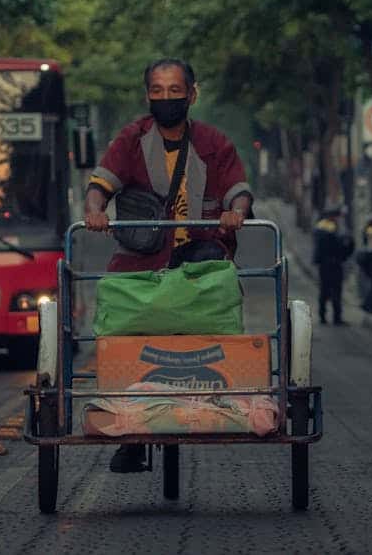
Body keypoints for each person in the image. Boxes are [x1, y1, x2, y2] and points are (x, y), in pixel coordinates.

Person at [84, 58, 254, 473]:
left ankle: (218, 404)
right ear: (147, 96)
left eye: (174, 91)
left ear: (191, 94)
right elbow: (99, 186)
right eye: (157, 91)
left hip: (202, 258)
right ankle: (128, 432)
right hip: (140, 261)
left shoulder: (215, 142)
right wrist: (94, 212)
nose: (166, 99)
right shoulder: (131, 139)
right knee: (120, 328)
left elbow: (238, 191)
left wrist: (236, 211)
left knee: (215, 308)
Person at [312, 205, 354, 325]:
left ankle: (323, 316)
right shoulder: (331, 229)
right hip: (333, 263)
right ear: (333, 217)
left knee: (324, 290)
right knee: (335, 290)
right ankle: (336, 317)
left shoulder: (321, 226)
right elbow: (340, 247)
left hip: (324, 264)